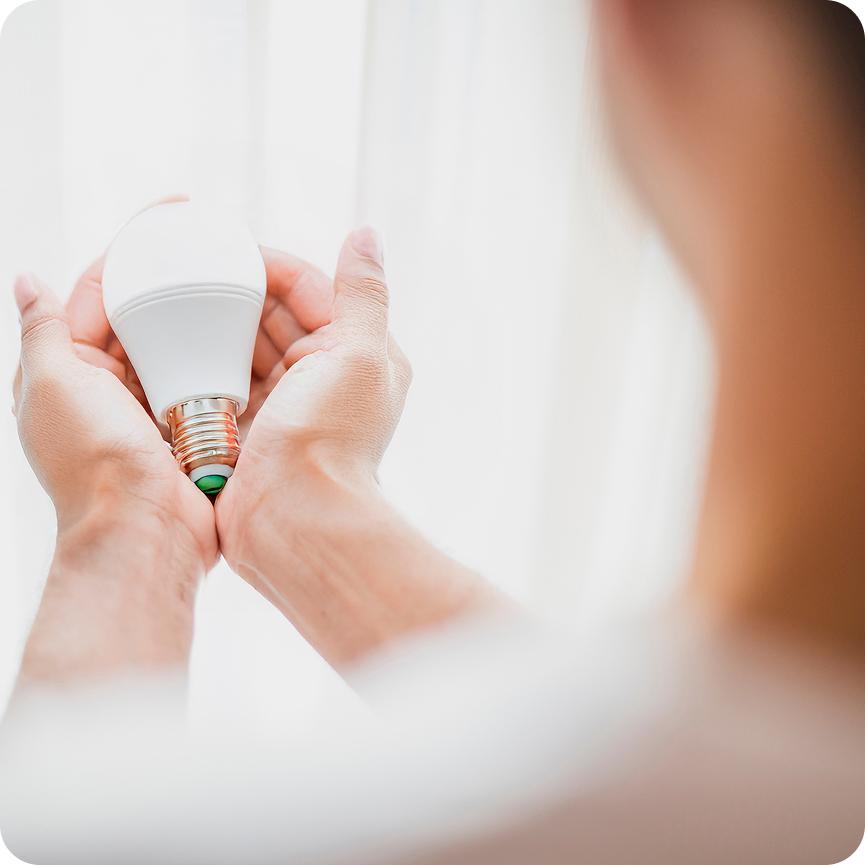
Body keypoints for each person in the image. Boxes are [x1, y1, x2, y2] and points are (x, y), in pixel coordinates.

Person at [1, 1, 863, 863]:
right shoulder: (804, 799)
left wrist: (120, 511)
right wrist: (294, 493)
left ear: (645, 22)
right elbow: (586, 746)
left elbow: (70, 810)